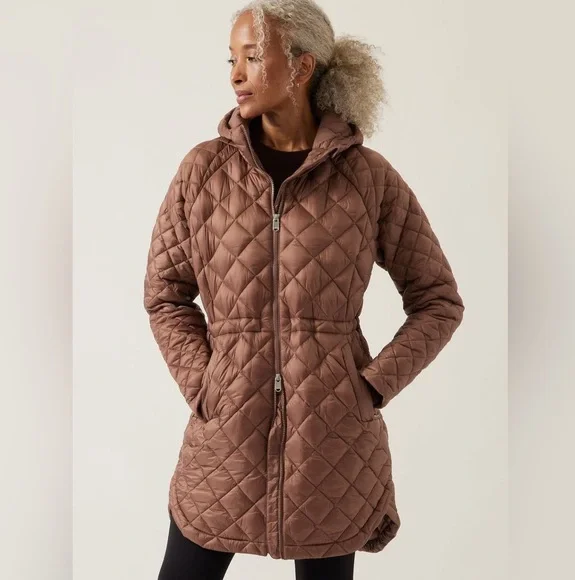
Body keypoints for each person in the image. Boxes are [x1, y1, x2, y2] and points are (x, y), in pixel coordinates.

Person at [144, 1, 465, 578]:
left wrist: (370, 385)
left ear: (301, 66)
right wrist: (204, 382)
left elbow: (438, 300)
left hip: (331, 446)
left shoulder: (367, 178)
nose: (235, 74)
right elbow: (166, 293)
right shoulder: (203, 172)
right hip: (223, 442)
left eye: (251, 57)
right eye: (230, 59)